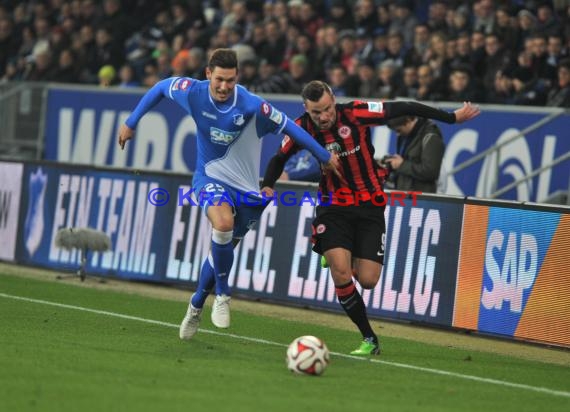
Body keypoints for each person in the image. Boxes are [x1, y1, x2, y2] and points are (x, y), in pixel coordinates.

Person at [117, 49, 340, 341]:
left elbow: (291, 129)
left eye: (230, 81)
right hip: (209, 176)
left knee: (220, 250)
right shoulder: (192, 92)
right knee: (221, 224)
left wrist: (323, 156)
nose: (224, 87)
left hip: (247, 190)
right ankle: (223, 294)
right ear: (208, 74)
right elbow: (160, 87)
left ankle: (196, 305)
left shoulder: (252, 105)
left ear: (237, 78)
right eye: (219, 79)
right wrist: (131, 122)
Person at [261, 81, 479, 355]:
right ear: (306, 109)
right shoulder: (300, 127)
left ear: (334, 100)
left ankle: (338, 250)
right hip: (334, 206)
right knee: (341, 273)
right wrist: (268, 185)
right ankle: (369, 338)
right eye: (317, 112)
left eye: (327, 109)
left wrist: (451, 117)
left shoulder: (356, 113)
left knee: (368, 280)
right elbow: (278, 158)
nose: (324, 117)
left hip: (370, 206)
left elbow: (406, 106)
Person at [383, 115, 445, 193]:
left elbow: (431, 172)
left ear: (408, 120)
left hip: (422, 200)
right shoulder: (406, 135)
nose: (397, 134)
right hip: (405, 197)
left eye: (399, 130)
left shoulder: (431, 136)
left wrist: (402, 165)